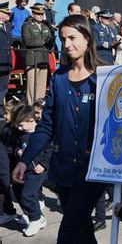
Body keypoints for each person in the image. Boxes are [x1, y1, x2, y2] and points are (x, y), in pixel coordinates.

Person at [12, 15, 106, 243]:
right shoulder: (59, 77)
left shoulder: (105, 76)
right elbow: (46, 125)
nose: (66, 45)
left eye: (72, 38)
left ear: (87, 38)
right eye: (63, 39)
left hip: (92, 170)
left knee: (67, 233)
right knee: (82, 230)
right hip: (63, 169)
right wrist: (25, 161)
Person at [11, 105, 52, 236]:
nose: (19, 128)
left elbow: (49, 150)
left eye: (21, 124)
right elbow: (16, 146)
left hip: (37, 170)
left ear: (31, 120)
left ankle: (37, 219)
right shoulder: (21, 134)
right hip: (25, 169)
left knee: (27, 194)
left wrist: (43, 164)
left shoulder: (42, 133)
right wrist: (18, 151)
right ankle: (32, 215)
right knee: (20, 192)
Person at [22, 3, 55, 104]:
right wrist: (44, 41)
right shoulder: (27, 26)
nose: (40, 16)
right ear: (33, 14)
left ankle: (39, 106)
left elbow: (49, 43)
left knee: (41, 85)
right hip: (33, 59)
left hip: (44, 58)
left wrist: (51, 40)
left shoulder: (45, 26)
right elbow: (28, 42)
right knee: (32, 85)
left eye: (42, 13)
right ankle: (31, 106)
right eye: (38, 13)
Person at [0, 2, 12, 115]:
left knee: (4, 87)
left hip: (6, 62)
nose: (9, 14)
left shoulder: (8, 26)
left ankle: (0, 109)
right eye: (6, 12)